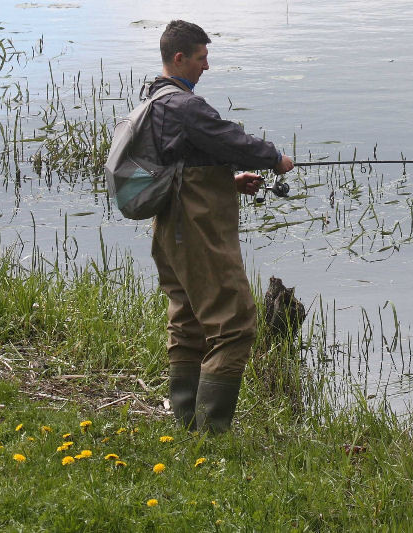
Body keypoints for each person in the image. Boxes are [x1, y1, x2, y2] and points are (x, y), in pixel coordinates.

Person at [149, 20, 294, 433]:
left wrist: (227, 182)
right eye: (201, 58)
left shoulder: (153, 101)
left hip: (170, 227)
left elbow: (180, 164)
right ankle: (211, 436)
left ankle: (186, 426)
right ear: (180, 58)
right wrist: (275, 159)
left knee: (187, 321)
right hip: (196, 229)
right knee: (235, 325)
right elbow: (231, 140)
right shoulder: (185, 106)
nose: (206, 66)